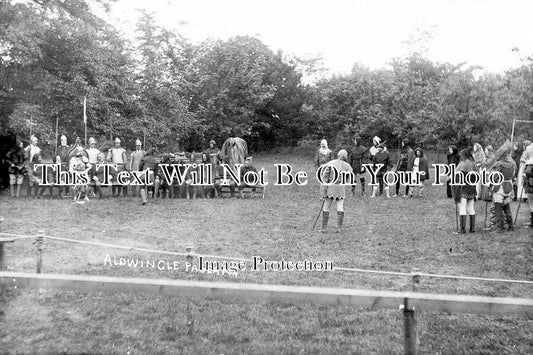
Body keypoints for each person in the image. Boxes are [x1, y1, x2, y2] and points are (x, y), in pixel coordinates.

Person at [319, 149, 353, 232]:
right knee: (340, 207)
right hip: (340, 188)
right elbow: (350, 176)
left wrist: (322, 192)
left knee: (326, 207)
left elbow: (324, 177)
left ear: (338, 155)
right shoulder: (347, 166)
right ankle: (339, 228)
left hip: (331, 187)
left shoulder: (331, 163)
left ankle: (324, 228)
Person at [490, 141, 516, 232]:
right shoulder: (512, 163)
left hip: (500, 186)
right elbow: (513, 175)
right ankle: (510, 226)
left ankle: (499, 228)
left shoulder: (499, 164)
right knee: (506, 206)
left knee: (498, 207)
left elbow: (495, 177)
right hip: (508, 185)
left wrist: (490, 183)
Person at [453, 148, 477, 233]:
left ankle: (462, 229)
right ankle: (472, 229)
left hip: (464, 188)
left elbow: (460, 177)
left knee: (462, 208)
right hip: (472, 188)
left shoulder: (464, 164)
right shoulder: (474, 163)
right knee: (471, 208)